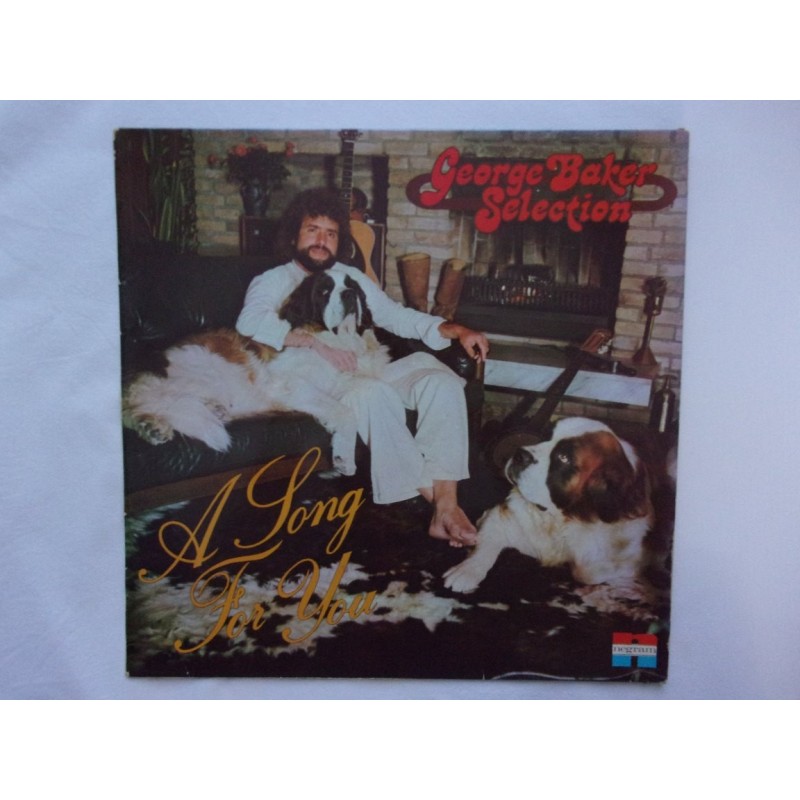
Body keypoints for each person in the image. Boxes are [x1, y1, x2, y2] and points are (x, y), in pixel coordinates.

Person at [236, 188, 489, 547]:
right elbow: (249, 323)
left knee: (440, 382)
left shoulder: (348, 276)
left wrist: (454, 329)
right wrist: (312, 342)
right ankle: (443, 509)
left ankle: (446, 502)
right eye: (312, 230)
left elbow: (393, 315)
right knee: (373, 394)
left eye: (331, 233)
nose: (321, 241)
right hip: (325, 381)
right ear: (294, 235)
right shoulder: (274, 279)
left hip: (367, 363)